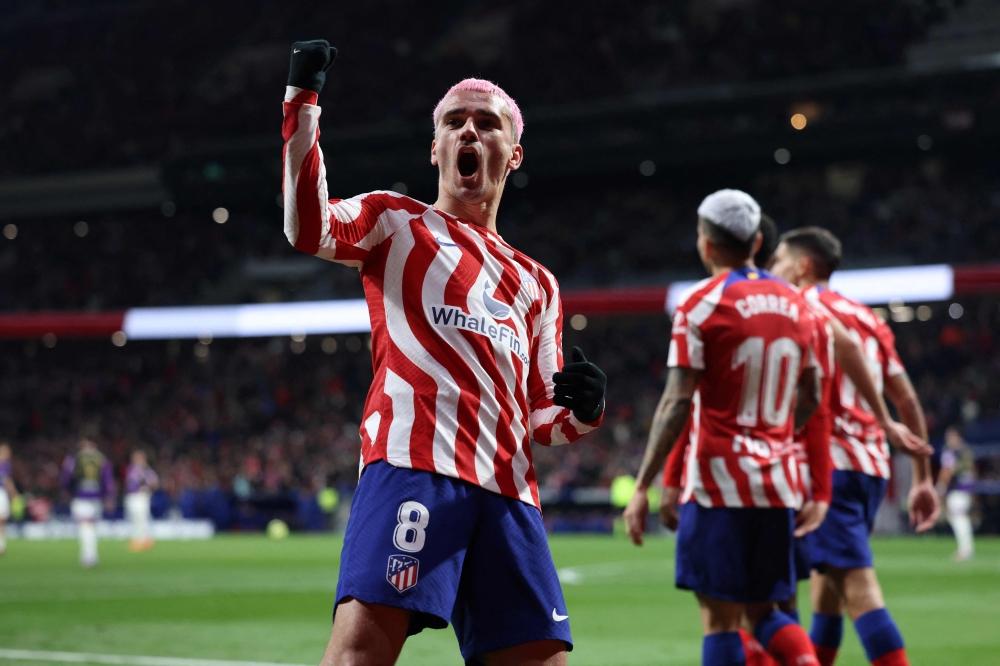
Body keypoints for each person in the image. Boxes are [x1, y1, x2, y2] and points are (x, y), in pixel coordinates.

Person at [281, 41, 607, 666]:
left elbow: (543, 420)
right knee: (359, 655)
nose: (468, 131)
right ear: (435, 149)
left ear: (513, 154)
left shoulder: (539, 283)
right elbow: (309, 227)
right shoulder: (394, 223)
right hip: (414, 467)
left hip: (509, 494)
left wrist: (585, 410)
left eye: (487, 123)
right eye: (454, 122)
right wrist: (303, 101)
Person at [624, 189, 823, 666]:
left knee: (720, 620)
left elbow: (677, 402)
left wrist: (644, 484)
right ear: (757, 242)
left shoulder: (700, 304)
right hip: (776, 486)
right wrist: (776, 437)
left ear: (706, 244)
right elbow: (812, 396)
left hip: (718, 487)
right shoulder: (799, 305)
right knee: (766, 610)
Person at [769, 227, 939, 666]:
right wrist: (922, 478)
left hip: (830, 465)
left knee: (858, 590)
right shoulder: (868, 317)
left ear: (803, 266)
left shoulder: (799, 305)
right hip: (872, 467)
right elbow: (907, 399)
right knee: (827, 593)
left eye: (779, 260)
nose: (773, 268)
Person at [60, 438, 116, 568]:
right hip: (96, 497)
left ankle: (88, 556)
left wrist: (65, 491)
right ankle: (91, 554)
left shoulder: (74, 458)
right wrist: (109, 496)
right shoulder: (102, 459)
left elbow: (66, 477)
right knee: (92, 527)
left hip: (81, 497)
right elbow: (108, 480)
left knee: (85, 526)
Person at [936, 426, 976, 561]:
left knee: (958, 518)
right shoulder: (966, 450)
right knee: (959, 518)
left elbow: (947, 470)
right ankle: (966, 548)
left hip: (957, 489)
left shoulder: (952, 451)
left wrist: (941, 486)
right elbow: (972, 470)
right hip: (965, 488)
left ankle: (965, 550)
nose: (948, 439)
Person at [124, 450, 159, 552]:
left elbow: (155, 483)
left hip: (141, 497)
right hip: (131, 497)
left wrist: (146, 487)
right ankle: (136, 539)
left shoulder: (147, 471)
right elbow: (129, 484)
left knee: (142, 518)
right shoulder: (131, 470)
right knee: (134, 518)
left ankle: (144, 540)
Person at [0, 442, 18, 556]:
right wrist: (14, 494)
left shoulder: (6, 465)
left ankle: (1, 545)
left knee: (1, 520)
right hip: (1, 493)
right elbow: (7, 481)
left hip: (2, 493)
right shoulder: (4, 465)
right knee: (1, 520)